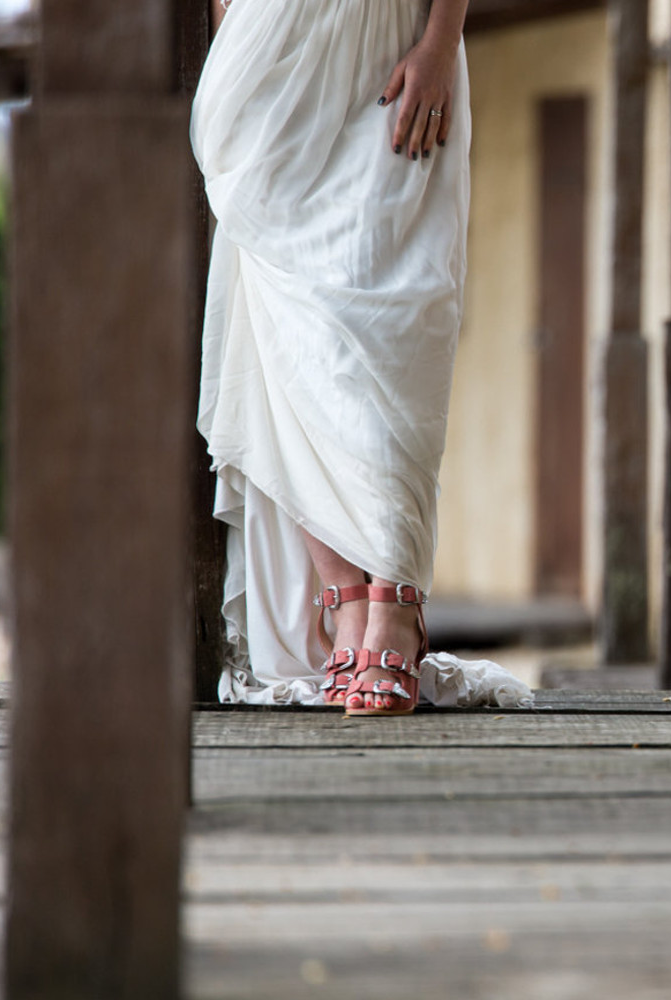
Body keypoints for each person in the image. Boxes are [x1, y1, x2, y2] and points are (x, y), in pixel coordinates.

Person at [191, 0, 473, 716]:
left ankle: (396, 600)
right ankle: (354, 604)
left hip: (395, 38)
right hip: (275, 49)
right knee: (290, 325)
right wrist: (238, 37)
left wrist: (441, 41)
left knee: (398, 315)